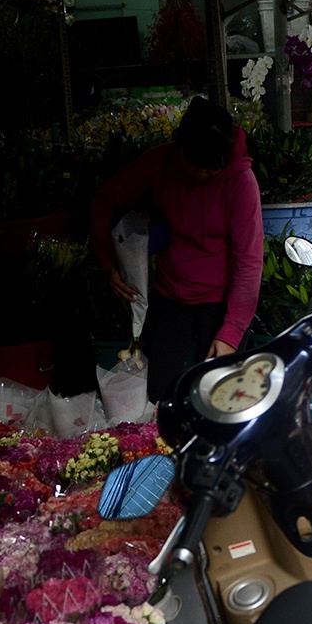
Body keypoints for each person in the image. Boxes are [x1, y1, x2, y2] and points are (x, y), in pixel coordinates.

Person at [89, 99, 264, 403]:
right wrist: (109, 264)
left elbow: (249, 263)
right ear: (179, 148)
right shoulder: (158, 163)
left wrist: (231, 333)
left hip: (221, 301)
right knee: (158, 393)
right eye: (194, 167)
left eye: (211, 170)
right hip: (171, 294)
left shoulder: (240, 181)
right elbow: (104, 202)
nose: (201, 176)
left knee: (221, 397)